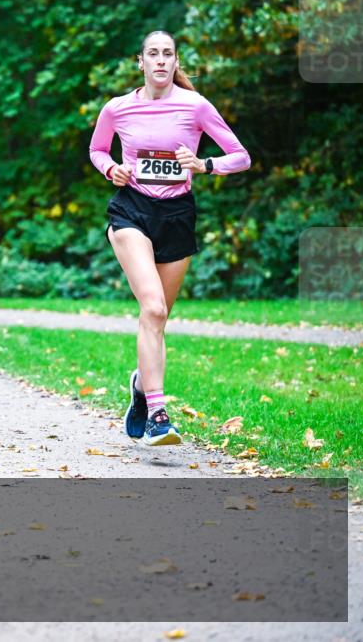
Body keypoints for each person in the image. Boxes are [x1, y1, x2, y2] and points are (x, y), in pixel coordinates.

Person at [89, 31, 250, 446]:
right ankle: (159, 416)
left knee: (158, 321)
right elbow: (97, 150)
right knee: (154, 309)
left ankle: (142, 388)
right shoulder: (118, 108)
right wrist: (112, 171)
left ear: (175, 62)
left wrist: (203, 164)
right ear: (139, 61)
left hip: (177, 216)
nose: (160, 60)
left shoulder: (195, 105)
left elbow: (241, 156)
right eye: (153, 54)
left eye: (168, 54)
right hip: (132, 211)